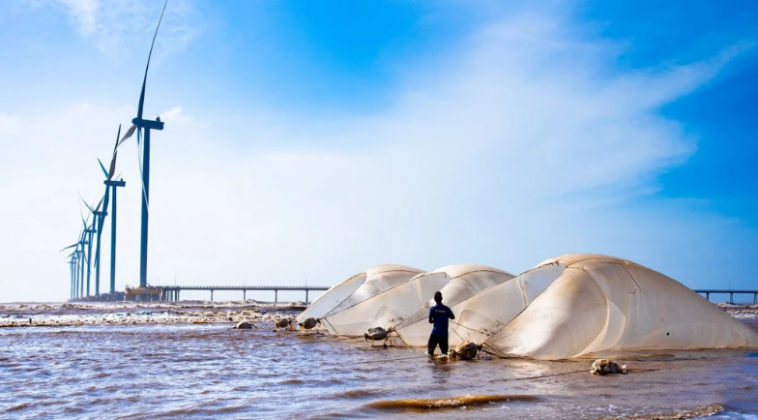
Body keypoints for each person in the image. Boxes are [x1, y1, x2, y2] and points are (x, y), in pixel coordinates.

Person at [427, 291, 455, 356]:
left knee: (430, 353)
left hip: (435, 333)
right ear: (441, 298)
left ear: (434, 299)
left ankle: (431, 365)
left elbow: (430, 321)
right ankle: (444, 365)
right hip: (444, 334)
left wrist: (435, 320)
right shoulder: (446, 309)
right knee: (445, 354)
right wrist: (445, 315)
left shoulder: (433, 309)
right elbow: (452, 317)